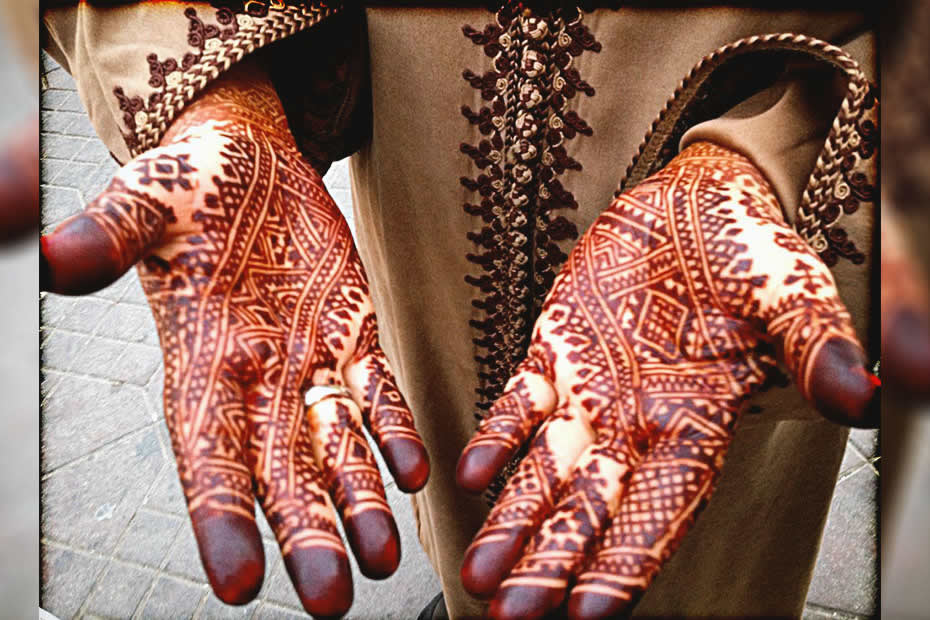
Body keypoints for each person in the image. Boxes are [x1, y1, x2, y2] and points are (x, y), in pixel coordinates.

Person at [40, 2, 882, 618]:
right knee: (457, 505)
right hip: (426, 218)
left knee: (687, 571)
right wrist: (227, 99)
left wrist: (765, 165)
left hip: (721, 291)